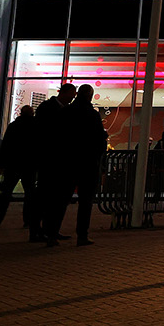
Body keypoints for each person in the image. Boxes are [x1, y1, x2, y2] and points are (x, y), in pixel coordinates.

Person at [35, 83, 78, 244]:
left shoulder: (60, 109)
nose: (73, 97)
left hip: (57, 160)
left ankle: (50, 230)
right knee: (48, 197)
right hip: (50, 160)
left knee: (55, 198)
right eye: (72, 94)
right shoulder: (48, 108)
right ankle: (42, 231)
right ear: (65, 93)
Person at [65, 84, 108, 244]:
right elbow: (99, 139)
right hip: (88, 162)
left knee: (62, 198)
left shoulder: (67, 112)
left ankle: (52, 231)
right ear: (90, 95)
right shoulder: (92, 114)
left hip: (69, 160)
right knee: (86, 201)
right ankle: (82, 234)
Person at [0, 106, 39, 233]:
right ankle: (28, 220)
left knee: (6, 192)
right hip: (29, 164)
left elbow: (6, 146)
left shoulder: (13, 126)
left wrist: (1, 164)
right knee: (30, 193)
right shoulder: (35, 126)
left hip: (13, 164)